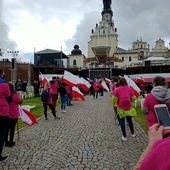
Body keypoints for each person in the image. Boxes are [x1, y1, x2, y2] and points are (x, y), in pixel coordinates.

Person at [0, 70, 12, 163]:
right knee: (1, 134)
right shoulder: (4, 85)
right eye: (3, 73)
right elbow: (9, 98)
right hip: (2, 112)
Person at [5, 83, 22, 147]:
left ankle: (6, 141)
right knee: (12, 128)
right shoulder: (14, 95)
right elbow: (19, 101)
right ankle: (11, 141)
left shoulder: (5, 95)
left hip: (6, 113)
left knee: (6, 128)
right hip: (13, 113)